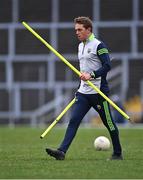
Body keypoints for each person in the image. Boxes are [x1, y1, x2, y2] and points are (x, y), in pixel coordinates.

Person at [46, 16, 123, 160]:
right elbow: (83, 71)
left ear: (88, 29)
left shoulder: (99, 46)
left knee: (109, 123)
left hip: (99, 93)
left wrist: (92, 75)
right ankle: (61, 152)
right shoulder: (80, 45)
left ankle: (118, 153)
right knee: (74, 120)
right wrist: (81, 84)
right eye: (75, 30)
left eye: (80, 29)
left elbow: (107, 66)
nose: (77, 32)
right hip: (83, 93)